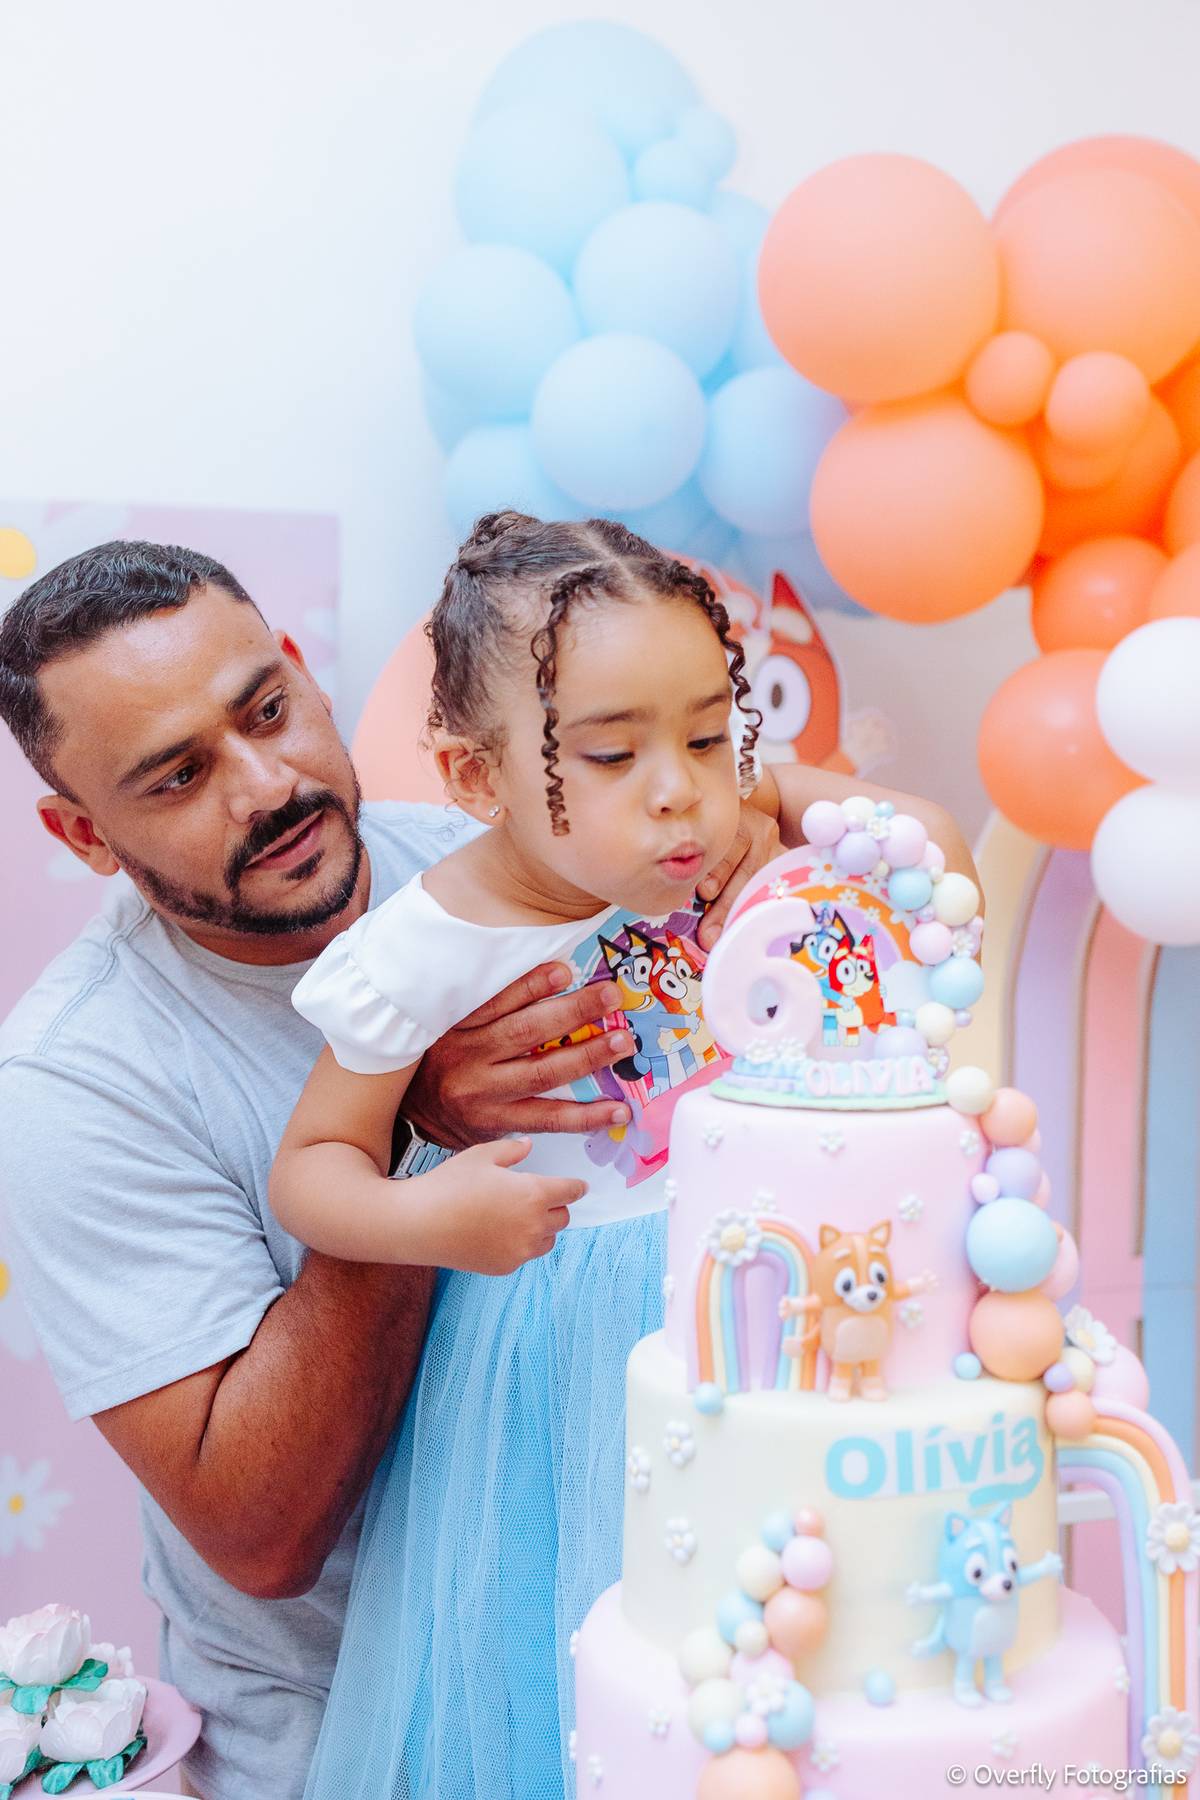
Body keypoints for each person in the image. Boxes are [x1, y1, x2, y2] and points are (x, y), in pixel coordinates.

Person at [0, 537, 930, 1800]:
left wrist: (770, 892)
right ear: (84, 835)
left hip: (685, 1577)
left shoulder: (534, 842)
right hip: (360, 1706)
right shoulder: (78, 1081)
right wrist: (421, 1133)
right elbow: (259, 1536)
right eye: (177, 776)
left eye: (270, 710)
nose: (267, 785)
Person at [277, 514, 980, 1800]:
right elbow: (313, 1166)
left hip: (764, 1308)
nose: (677, 788)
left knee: (781, 1653)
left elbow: (942, 865)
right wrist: (437, 1223)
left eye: (709, 734)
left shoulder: (730, 850)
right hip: (552, 1353)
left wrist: (770, 792)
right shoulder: (423, 945)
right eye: (614, 753)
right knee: (584, 1659)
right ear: (475, 779)